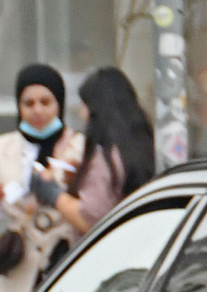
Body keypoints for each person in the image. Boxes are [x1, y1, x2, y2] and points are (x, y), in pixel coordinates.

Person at [0, 63, 86, 292]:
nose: (37, 110)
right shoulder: (1, 147)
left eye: (45, 102)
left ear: (59, 104)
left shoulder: (79, 146)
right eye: (28, 103)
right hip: (21, 269)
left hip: (67, 260)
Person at [58, 66, 153, 236]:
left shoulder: (105, 156)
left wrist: (54, 194)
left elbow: (91, 219)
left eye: (84, 105)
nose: (82, 113)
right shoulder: (139, 147)